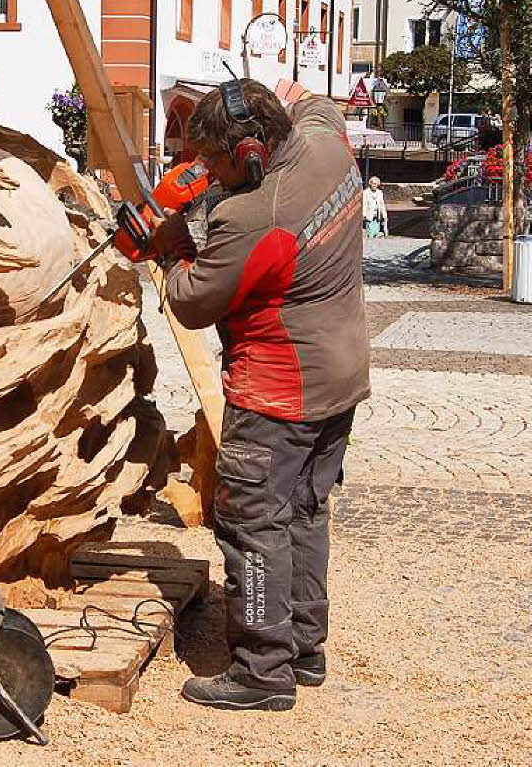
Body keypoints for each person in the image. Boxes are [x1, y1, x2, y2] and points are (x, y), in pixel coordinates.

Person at [150, 78, 370, 711]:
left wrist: (169, 249)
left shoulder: (254, 214)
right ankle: (304, 648)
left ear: (250, 151)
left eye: (215, 161)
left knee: (251, 523)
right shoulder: (326, 141)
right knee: (304, 510)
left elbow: (193, 302)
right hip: (342, 377)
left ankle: (261, 670)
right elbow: (313, 102)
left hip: (279, 390)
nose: (207, 174)